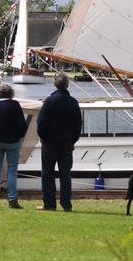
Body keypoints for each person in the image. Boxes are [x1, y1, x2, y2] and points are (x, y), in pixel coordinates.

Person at [37, 72, 82, 212]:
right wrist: (72, 140)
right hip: (67, 143)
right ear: (67, 85)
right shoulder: (73, 102)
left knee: (47, 173)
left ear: (55, 85)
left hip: (49, 143)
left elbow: (41, 123)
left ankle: (49, 204)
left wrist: (43, 137)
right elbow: (78, 125)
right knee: (65, 175)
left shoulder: (49, 101)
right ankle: (66, 204)